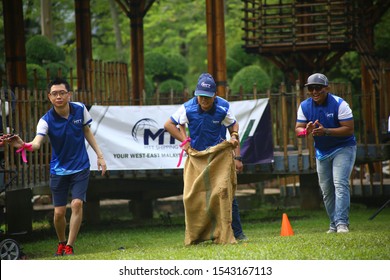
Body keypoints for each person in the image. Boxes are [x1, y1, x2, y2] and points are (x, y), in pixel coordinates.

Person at [4, 77, 107, 255]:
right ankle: (61, 241)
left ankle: (69, 246)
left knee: (76, 204)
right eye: (54, 94)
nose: (58, 97)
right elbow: (36, 144)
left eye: (62, 93)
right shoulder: (46, 120)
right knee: (59, 213)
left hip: (81, 167)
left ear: (69, 95)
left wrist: (100, 155)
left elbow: (86, 130)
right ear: (49, 97)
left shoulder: (80, 109)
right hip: (58, 170)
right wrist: (23, 144)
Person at [164, 73, 246, 243]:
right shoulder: (188, 107)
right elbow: (169, 124)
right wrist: (184, 142)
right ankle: (199, 234)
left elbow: (233, 126)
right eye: (200, 96)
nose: (204, 100)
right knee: (193, 196)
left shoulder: (223, 107)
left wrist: (237, 153)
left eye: (207, 97)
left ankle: (236, 233)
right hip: (197, 158)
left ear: (215, 95)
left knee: (225, 193)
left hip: (218, 157)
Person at [295, 73, 356, 233]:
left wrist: (326, 131)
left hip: (343, 148)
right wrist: (305, 132)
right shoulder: (305, 106)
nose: (314, 91)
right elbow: (298, 130)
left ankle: (342, 223)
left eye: (318, 88)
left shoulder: (339, 104)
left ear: (326, 88)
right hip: (322, 152)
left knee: (340, 183)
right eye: (311, 88)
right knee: (327, 189)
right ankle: (333, 223)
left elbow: (349, 129)